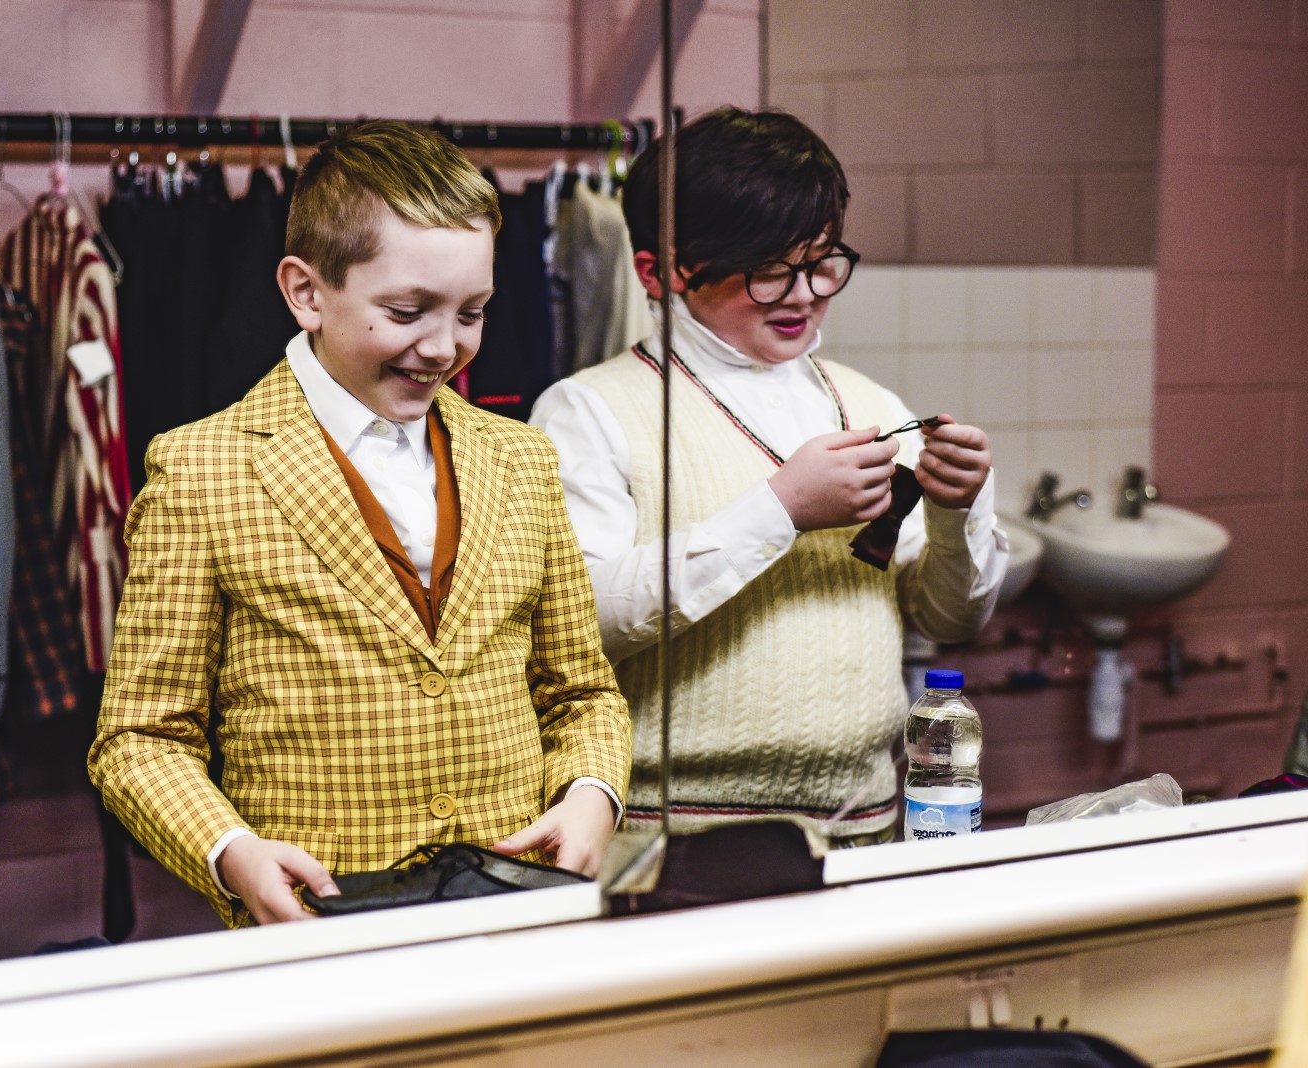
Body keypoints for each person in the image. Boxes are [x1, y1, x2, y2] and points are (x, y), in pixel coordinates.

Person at [89, 121, 631, 926]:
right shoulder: (201, 470)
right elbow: (139, 737)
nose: (445, 347)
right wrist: (230, 850)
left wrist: (593, 793)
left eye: (473, 312)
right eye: (408, 311)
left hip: (517, 913)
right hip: (318, 926)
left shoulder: (522, 459)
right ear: (307, 292)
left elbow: (582, 691)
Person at [529, 107, 1008, 847]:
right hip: (666, 835)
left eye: (821, 261)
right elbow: (577, 626)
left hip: (864, 822)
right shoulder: (588, 410)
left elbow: (949, 623)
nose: (805, 294)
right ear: (658, 271)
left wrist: (958, 514)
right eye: (766, 271)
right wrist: (779, 511)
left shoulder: (870, 404)